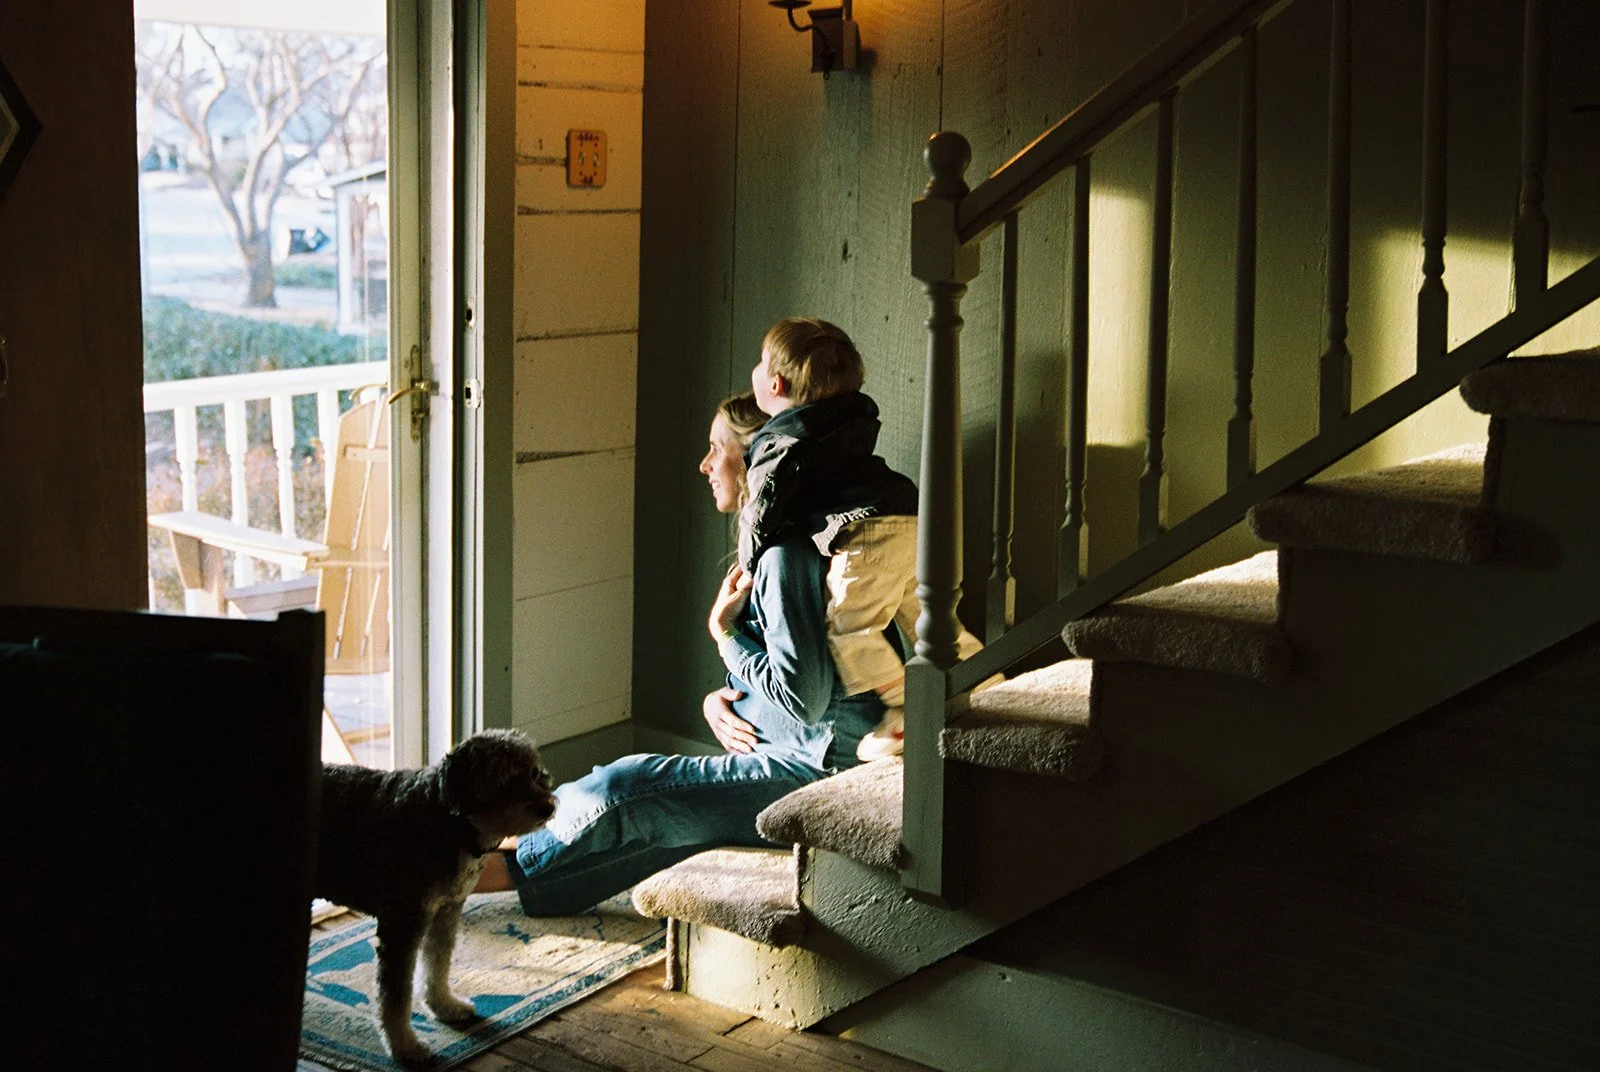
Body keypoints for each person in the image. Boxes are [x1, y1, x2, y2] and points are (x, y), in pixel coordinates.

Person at [476, 392, 884, 916]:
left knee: (628, 785)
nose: (705, 464)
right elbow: (798, 673)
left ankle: (479, 867)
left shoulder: (785, 555)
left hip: (819, 773)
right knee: (666, 826)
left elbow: (804, 701)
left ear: (756, 459)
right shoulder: (771, 550)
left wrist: (723, 633)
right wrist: (722, 702)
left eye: (718, 448)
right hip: (791, 753)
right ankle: (518, 874)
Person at [742, 317, 984, 760]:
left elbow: (762, 506)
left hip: (863, 534)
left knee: (853, 629)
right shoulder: (852, 417)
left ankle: (899, 714)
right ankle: (982, 680)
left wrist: (751, 559)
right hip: (910, 517)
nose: (755, 371)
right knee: (923, 613)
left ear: (775, 384)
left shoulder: (776, 440)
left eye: (760, 363)